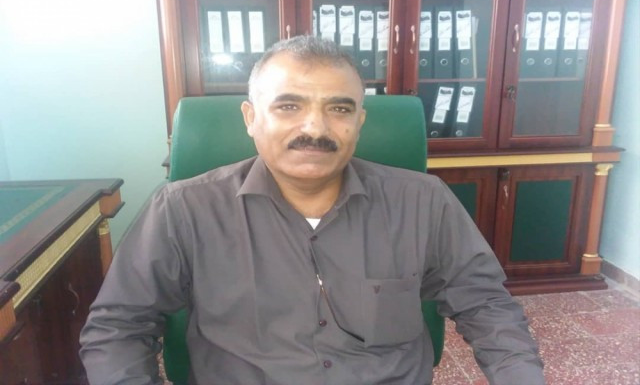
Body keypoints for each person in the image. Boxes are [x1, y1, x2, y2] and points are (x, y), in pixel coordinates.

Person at [80, 35, 544, 384]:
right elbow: (117, 328)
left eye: (339, 109)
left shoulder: (423, 202)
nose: (316, 128)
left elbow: (487, 306)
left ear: (359, 121)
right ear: (251, 118)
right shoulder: (184, 209)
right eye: (288, 106)